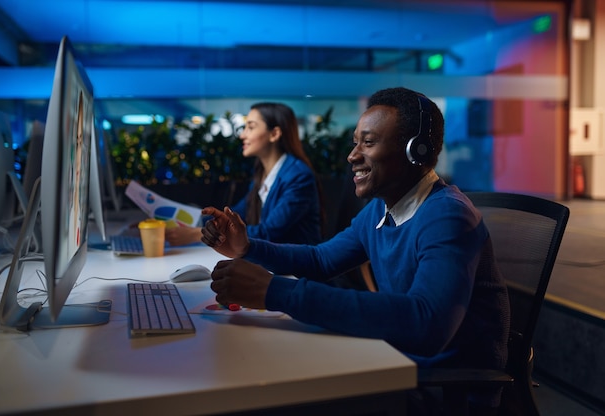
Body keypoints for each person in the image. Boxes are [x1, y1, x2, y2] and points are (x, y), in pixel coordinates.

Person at [200, 87, 510, 413]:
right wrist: (247, 247)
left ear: (414, 151)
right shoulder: (380, 211)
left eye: (369, 142)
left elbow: (426, 325)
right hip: (398, 363)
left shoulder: (447, 216)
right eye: (355, 142)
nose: (353, 155)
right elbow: (321, 259)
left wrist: (274, 292)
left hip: (443, 390)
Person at [165, 102, 323, 246]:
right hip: (271, 262)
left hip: (295, 270)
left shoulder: (298, 176)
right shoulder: (263, 174)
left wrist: (196, 234)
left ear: (274, 134)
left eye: (251, 127)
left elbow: (269, 232)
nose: (242, 135)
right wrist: (195, 223)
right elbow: (237, 215)